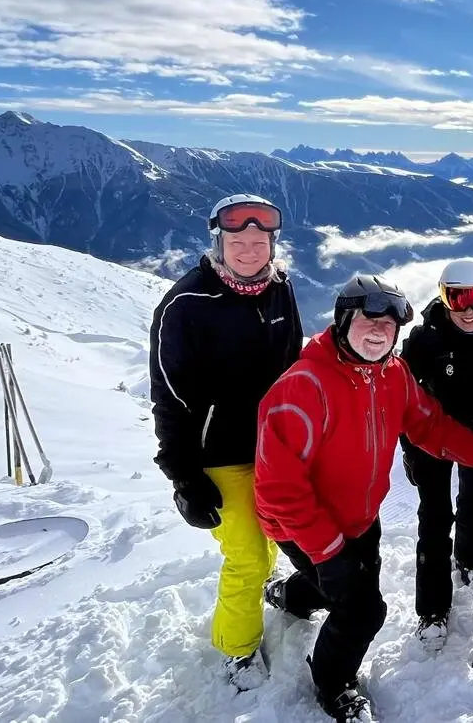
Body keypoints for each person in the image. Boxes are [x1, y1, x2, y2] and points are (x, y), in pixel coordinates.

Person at [255, 274, 473, 721]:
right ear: (343, 321)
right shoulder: (302, 388)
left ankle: (291, 595)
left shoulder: (390, 374)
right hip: (304, 526)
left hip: (359, 517)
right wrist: (327, 552)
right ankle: (333, 684)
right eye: (368, 319)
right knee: (362, 610)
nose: (379, 330)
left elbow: (432, 427)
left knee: (339, 587)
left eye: (389, 324)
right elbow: (279, 491)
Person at [148, 193, 303, 690]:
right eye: (239, 240)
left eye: (260, 240)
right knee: (247, 556)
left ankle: (273, 591)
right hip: (218, 456)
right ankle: (236, 651)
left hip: (276, 448)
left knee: (284, 532)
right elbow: (169, 397)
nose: (250, 249)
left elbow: (295, 367)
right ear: (220, 240)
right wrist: (183, 477)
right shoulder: (186, 304)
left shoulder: (281, 288)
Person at [398, 259, 473, 651]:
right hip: (431, 437)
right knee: (435, 516)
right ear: (444, 298)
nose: (468, 308)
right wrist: (409, 448)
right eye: (457, 297)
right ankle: (431, 609)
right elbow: (402, 399)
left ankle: (469, 560)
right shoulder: (423, 340)